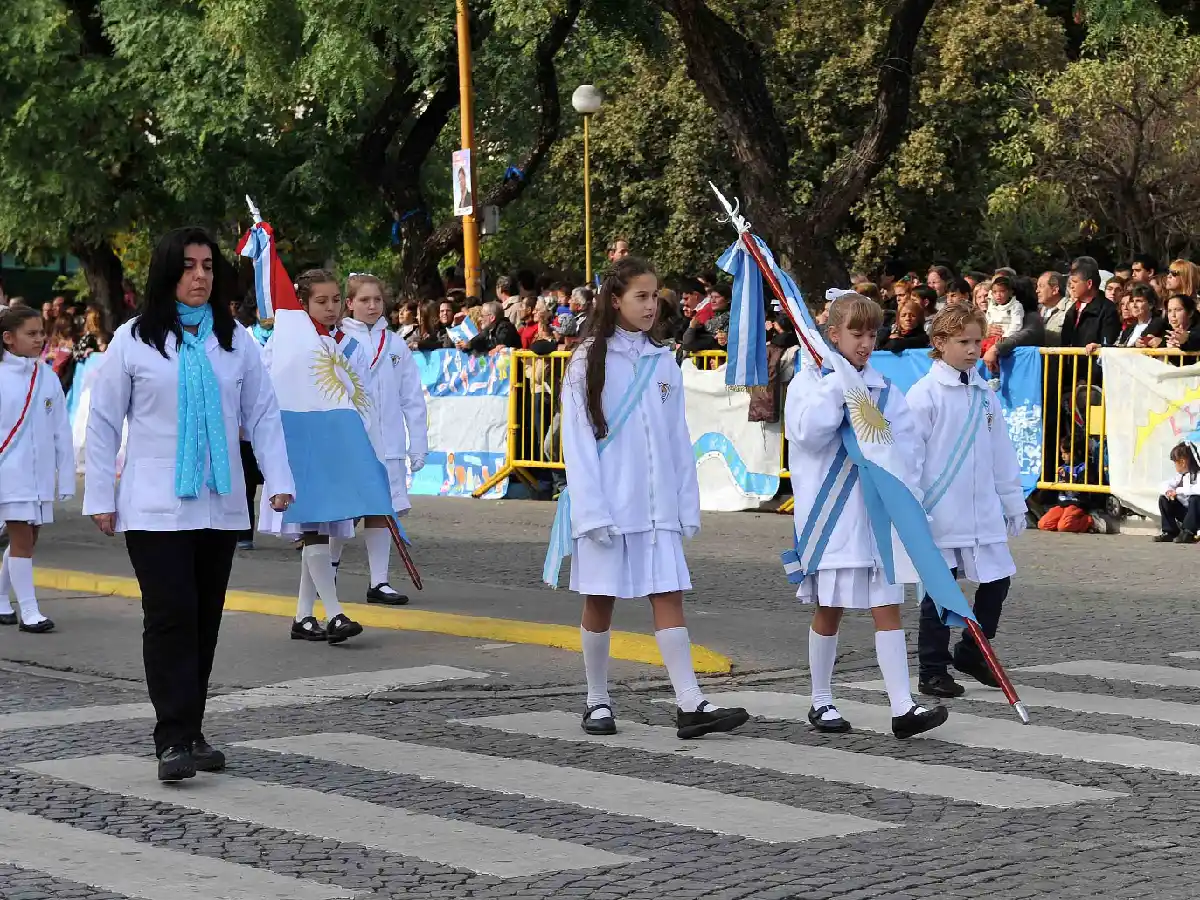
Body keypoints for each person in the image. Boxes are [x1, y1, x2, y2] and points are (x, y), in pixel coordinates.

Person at [83, 227, 294, 781]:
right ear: (167, 272)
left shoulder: (235, 339)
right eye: (188, 266)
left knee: (203, 619)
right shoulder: (134, 339)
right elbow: (103, 422)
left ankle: (193, 730)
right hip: (153, 504)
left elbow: (263, 413)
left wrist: (279, 478)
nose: (199, 276)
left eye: (207, 266)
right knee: (170, 615)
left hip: (219, 504)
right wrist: (100, 494)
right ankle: (172, 738)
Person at [547, 256, 748, 740]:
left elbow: (677, 436)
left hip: (657, 507)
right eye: (640, 296)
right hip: (609, 506)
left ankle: (690, 702)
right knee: (600, 600)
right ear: (615, 300)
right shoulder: (587, 360)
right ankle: (597, 699)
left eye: (655, 295)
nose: (651, 305)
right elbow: (578, 441)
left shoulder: (663, 360)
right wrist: (591, 511)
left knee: (668, 594)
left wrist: (685, 502)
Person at [786, 292, 947, 739]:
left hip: (877, 515)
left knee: (887, 605)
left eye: (872, 334)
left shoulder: (884, 388)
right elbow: (807, 434)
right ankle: (821, 698)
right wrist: (837, 385)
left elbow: (906, 447)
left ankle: (902, 706)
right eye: (856, 333)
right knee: (830, 607)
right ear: (833, 335)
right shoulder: (809, 382)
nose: (865, 343)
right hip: (832, 517)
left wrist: (909, 497)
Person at [907, 306, 1026, 698]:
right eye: (964, 342)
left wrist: (1012, 501)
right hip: (941, 510)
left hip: (982, 510)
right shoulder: (924, 394)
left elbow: (1001, 452)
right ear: (940, 343)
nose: (974, 349)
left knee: (998, 579)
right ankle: (932, 668)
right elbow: (910, 455)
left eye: (978, 341)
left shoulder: (984, 393)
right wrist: (913, 505)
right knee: (942, 591)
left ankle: (973, 651)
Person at [258, 269, 368, 644]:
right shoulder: (285, 342)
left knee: (319, 530)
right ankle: (334, 613)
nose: (330, 307)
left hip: (332, 446)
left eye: (336, 300)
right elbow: (268, 388)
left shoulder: (342, 343)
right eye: (321, 301)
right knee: (312, 527)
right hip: (299, 446)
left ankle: (304, 617)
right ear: (303, 304)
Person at [337, 273, 429, 603]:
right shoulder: (338, 341)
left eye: (377, 299)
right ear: (350, 303)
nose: (372, 305)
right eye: (364, 300)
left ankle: (379, 582)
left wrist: (418, 442)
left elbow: (412, 397)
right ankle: (324, 576)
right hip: (349, 443)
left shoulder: (395, 343)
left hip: (388, 443)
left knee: (380, 510)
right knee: (341, 514)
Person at [0, 308, 74, 633]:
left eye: (41, 332)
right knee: (21, 538)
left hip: (40, 475)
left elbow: (61, 429)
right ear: (8, 338)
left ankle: (1, 598)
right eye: (31, 333)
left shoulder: (46, 376)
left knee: (29, 538)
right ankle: (30, 612)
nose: (40, 339)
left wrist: (66, 476)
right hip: (9, 473)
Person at [1061, 256, 1121, 355]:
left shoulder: (1108, 309)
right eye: (1070, 283)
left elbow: (1109, 343)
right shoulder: (1072, 310)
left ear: (1089, 283)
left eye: (1075, 282)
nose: (1071, 286)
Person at [1154, 443, 1200, 543]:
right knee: (1164, 499)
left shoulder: (1198, 474)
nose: (1175, 466)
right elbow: (1164, 484)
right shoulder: (1180, 476)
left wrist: (1178, 491)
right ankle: (1170, 532)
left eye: (1175, 462)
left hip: (1197, 515)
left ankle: (1188, 532)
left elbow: (1197, 489)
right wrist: (1169, 491)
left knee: (1195, 499)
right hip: (1186, 513)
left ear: (1182, 462)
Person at [1037, 272, 1072, 346]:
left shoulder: (1071, 309)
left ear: (1055, 290)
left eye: (1041, 286)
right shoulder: (1037, 310)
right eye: (1037, 287)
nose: (1037, 291)